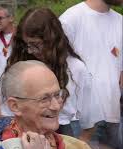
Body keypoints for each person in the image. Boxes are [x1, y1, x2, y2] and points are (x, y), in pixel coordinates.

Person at [6, 8, 93, 137]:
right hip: (28, 130)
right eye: (26, 45)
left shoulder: (76, 68)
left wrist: (80, 148)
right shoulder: (23, 64)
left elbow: (88, 119)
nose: (29, 51)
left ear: (51, 40)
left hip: (65, 131)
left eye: (35, 44)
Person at [59, 0, 123, 148]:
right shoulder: (70, 18)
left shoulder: (120, 21)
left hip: (112, 114)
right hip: (79, 119)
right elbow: (55, 66)